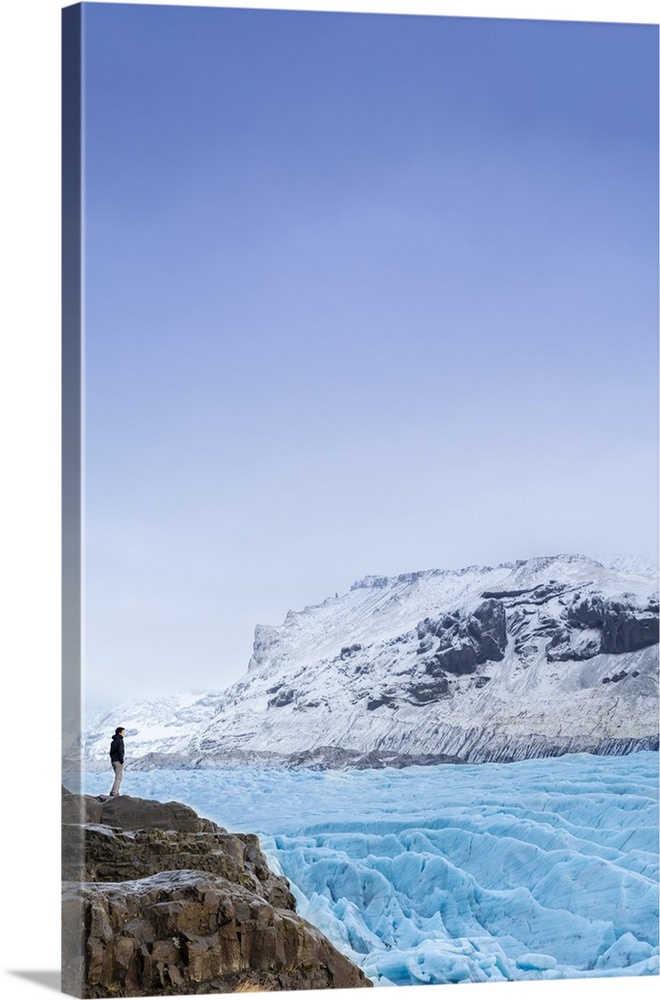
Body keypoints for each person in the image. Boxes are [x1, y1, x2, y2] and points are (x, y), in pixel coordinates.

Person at [109, 727, 126, 796]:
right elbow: (120, 751)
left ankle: (115, 791)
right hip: (118, 761)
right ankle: (114, 792)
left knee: (117, 776)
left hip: (113, 761)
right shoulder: (120, 741)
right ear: (120, 733)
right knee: (119, 777)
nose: (124, 734)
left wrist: (113, 759)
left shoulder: (113, 741)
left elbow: (111, 752)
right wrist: (121, 760)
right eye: (123, 732)